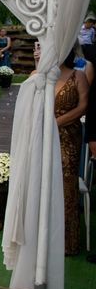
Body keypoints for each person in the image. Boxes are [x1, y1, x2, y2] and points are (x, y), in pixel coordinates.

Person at [54, 51, 89, 255]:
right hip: (44, 136)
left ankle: (69, 241)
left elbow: (83, 105)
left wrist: (57, 122)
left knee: (67, 185)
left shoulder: (78, 76)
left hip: (68, 137)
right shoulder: (42, 77)